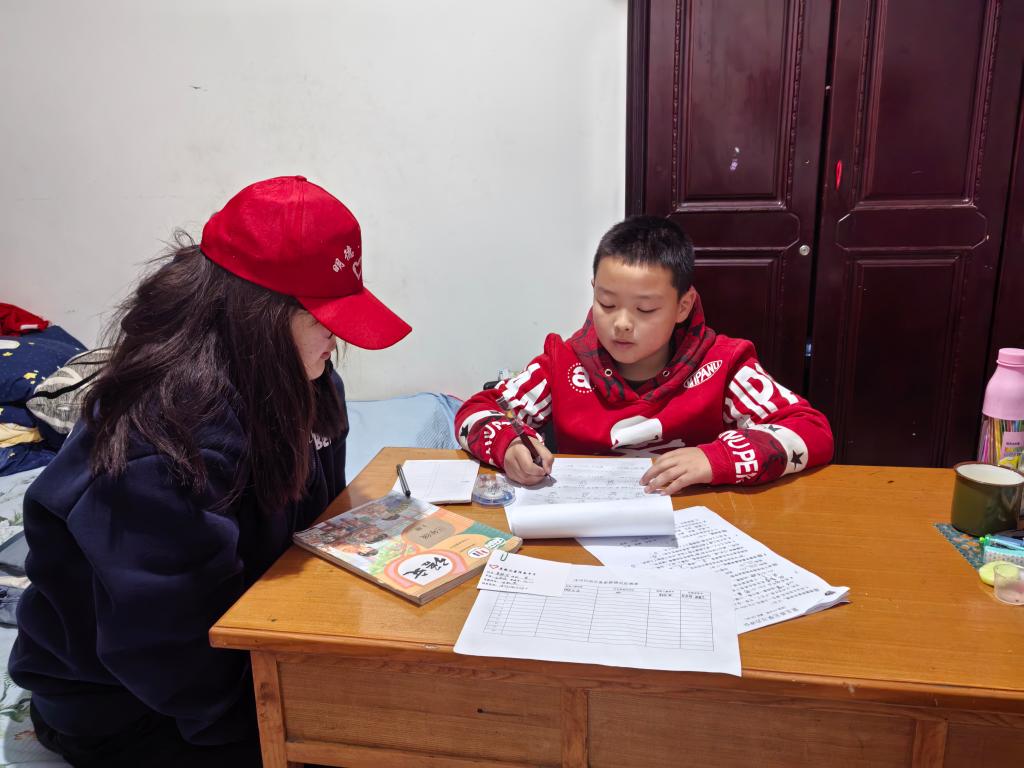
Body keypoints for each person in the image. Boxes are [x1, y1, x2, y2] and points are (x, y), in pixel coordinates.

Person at [9, 176, 410, 767]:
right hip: (128, 704)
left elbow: (313, 529)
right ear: (259, 318)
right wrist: (294, 727)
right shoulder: (162, 447)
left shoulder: (309, 382)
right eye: (322, 317)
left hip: (245, 642)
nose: (337, 337)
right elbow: (167, 655)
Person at [455, 215, 833, 490]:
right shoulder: (564, 363)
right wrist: (508, 444)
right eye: (606, 303)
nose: (621, 323)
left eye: (645, 309)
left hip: (689, 522)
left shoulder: (722, 365)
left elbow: (811, 429)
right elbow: (476, 411)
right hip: (584, 524)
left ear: (683, 306)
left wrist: (715, 458)